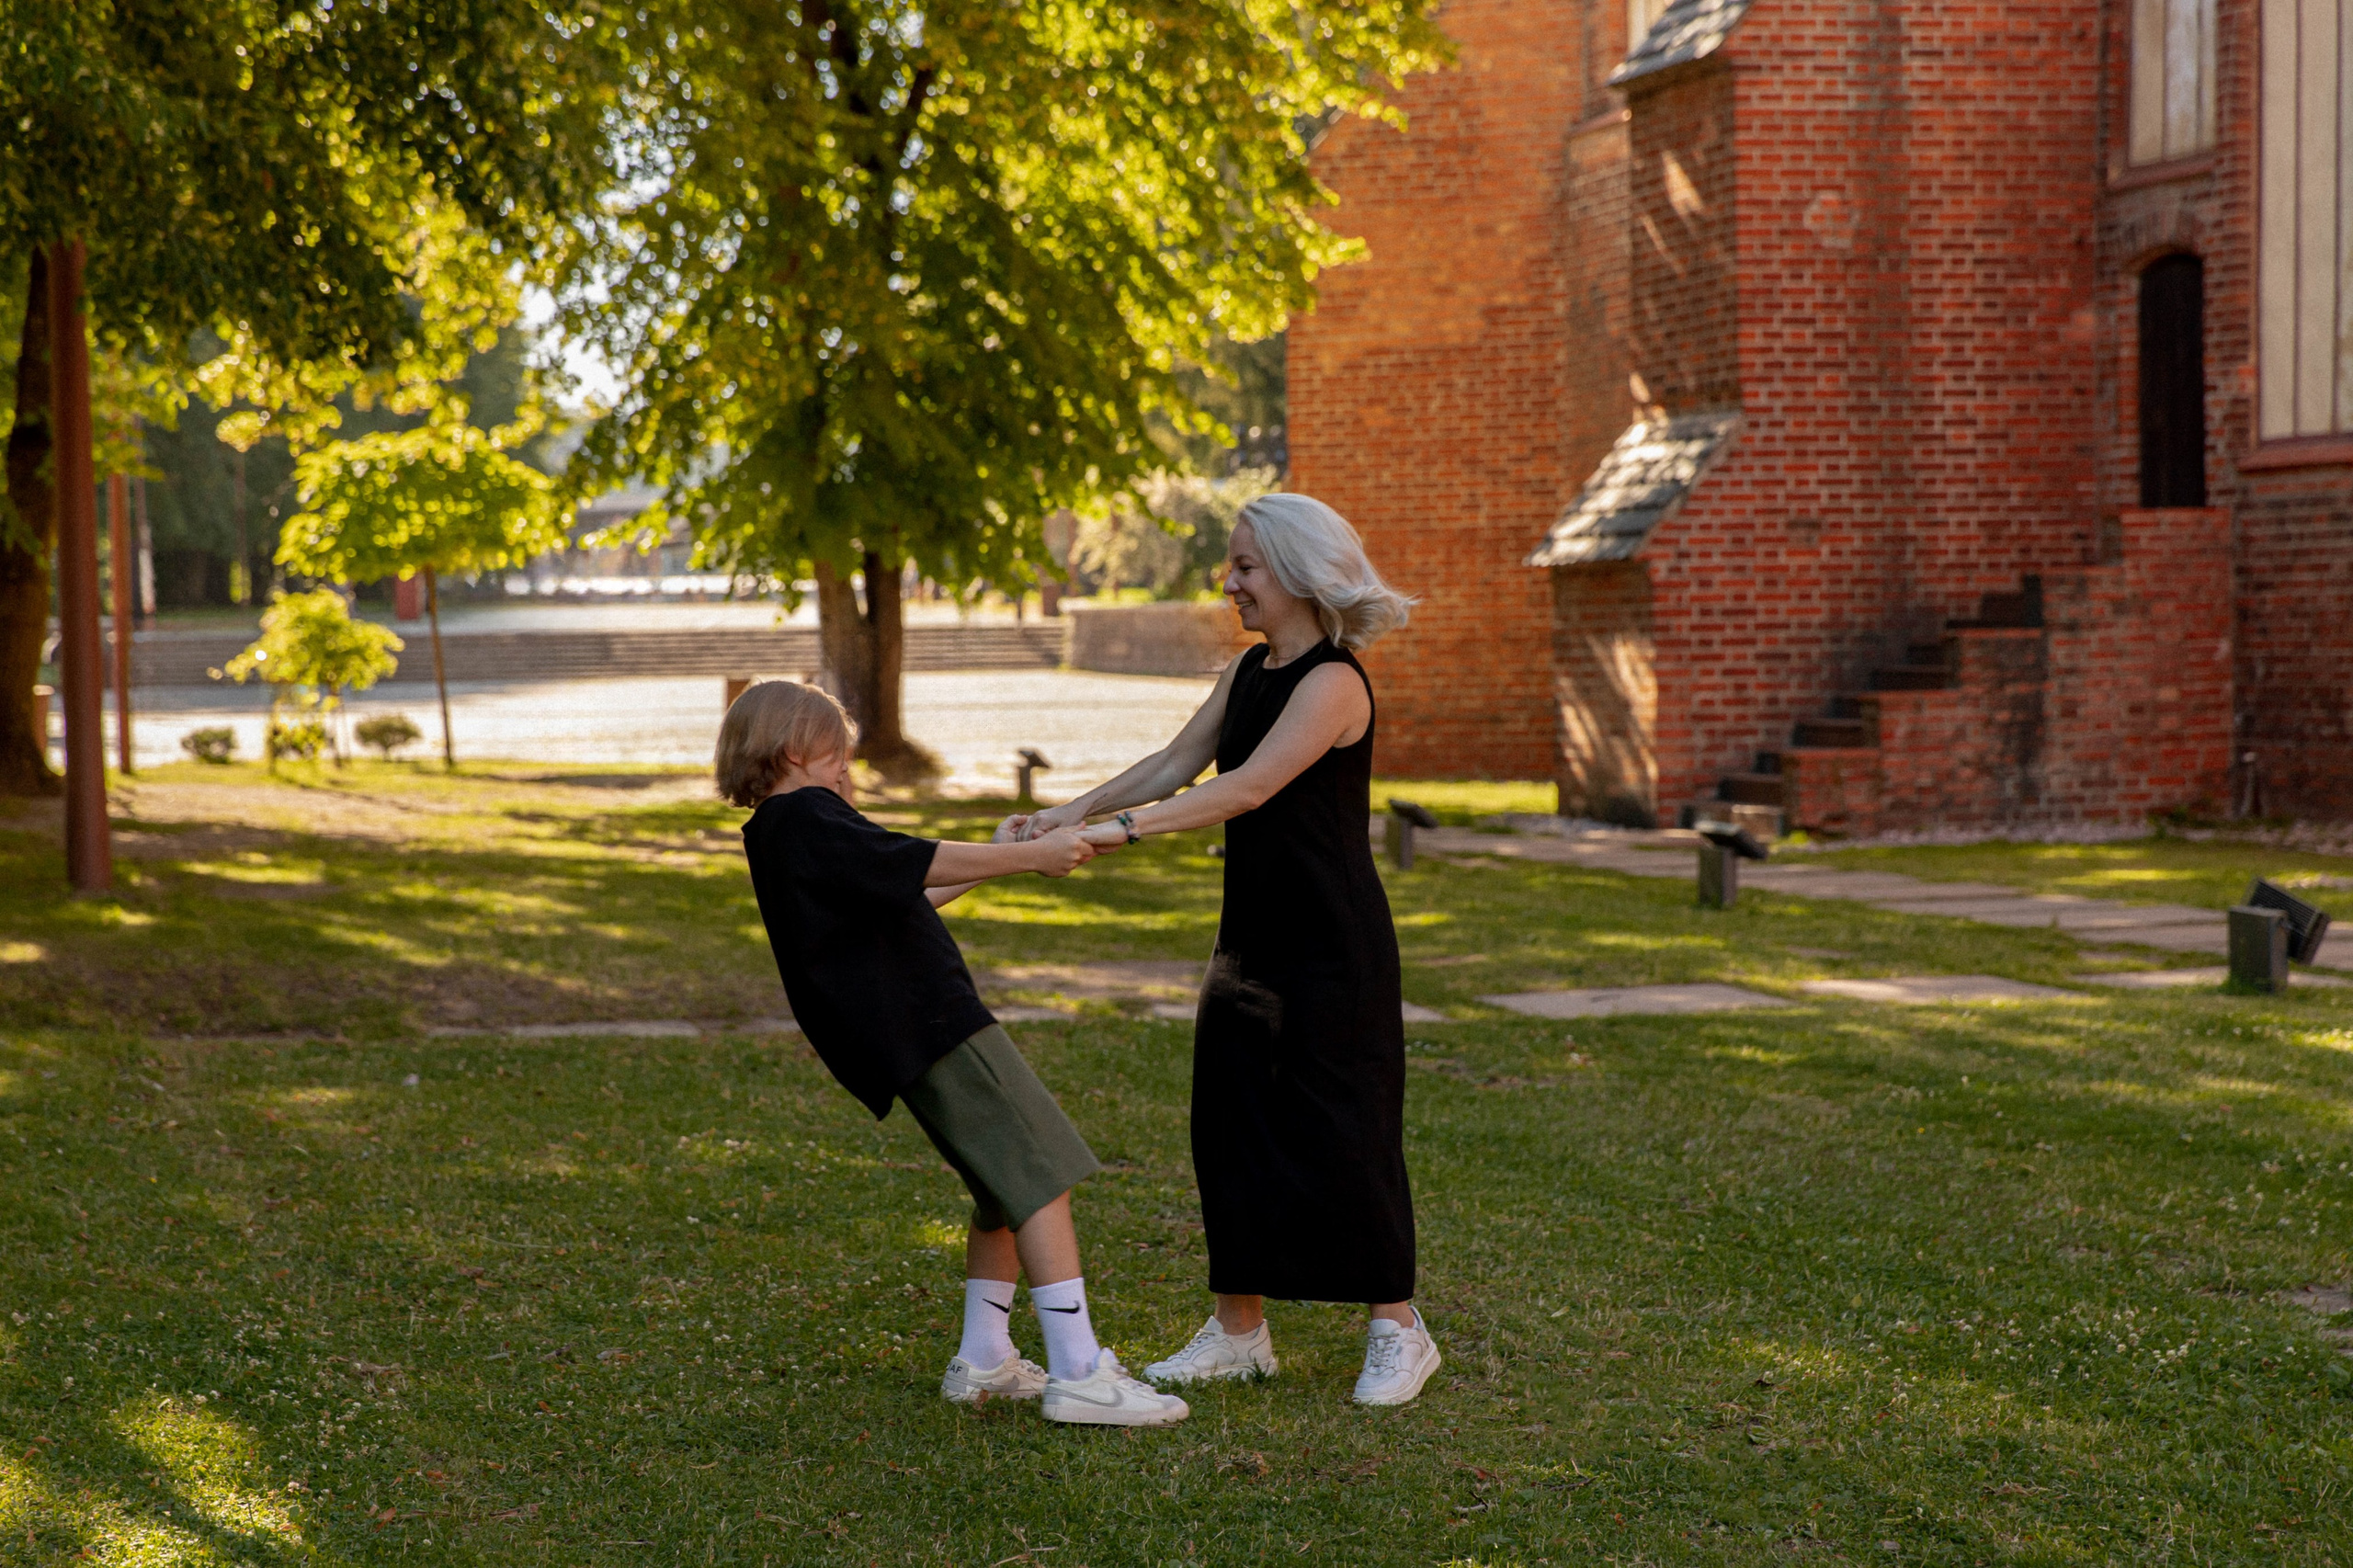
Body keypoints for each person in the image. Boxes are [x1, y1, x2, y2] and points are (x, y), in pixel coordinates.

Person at [1018, 493, 1440, 1407]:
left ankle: (1399, 1328)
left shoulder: (1335, 681)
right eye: (1232, 564)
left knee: (1346, 1128)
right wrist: (1067, 812)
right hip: (1248, 936)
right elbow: (1173, 764)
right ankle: (1239, 1329)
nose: (1230, 581)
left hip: (1334, 946)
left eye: (1245, 566)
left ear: (1294, 573)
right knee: (1231, 1120)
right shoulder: (1248, 671)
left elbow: (1245, 789)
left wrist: (1113, 836)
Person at [719, 679, 1189, 1428]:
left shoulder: (791, 831)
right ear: (792, 747)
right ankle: (1079, 1371)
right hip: (930, 1022)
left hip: (908, 1030)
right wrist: (1031, 861)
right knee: (1040, 1170)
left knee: (1002, 1190)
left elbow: (903, 892)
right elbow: (918, 858)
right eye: (836, 749)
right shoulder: (804, 815)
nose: (847, 765)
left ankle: (986, 1358)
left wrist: (995, 856)